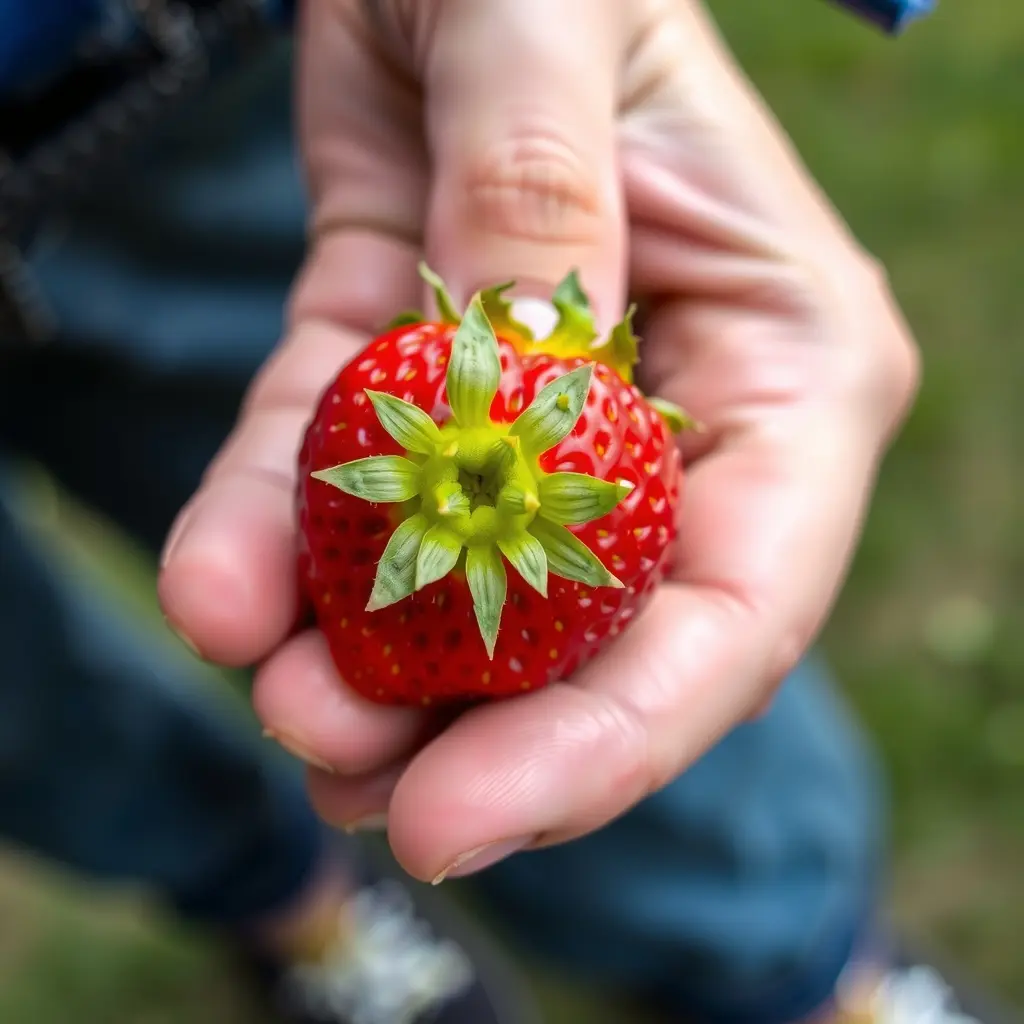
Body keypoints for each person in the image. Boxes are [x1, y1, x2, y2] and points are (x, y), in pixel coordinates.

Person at [1, 0, 1014, 1022]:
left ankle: (794, 960)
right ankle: (284, 901)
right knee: (24, 705)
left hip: (147, 78)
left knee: (648, 732)